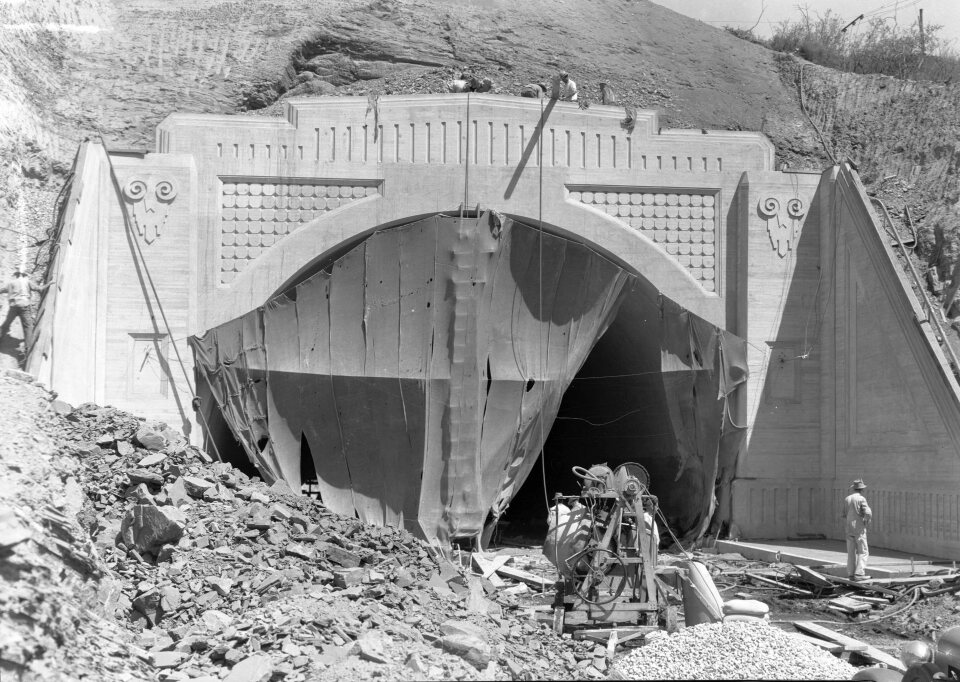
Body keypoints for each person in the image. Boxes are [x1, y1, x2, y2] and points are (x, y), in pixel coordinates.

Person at [0, 268, 50, 353]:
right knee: (28, 326)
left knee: (6, 324)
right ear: (24, 276)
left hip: (14, 306)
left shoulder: (11, 283)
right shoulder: (27, 281)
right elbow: (40, 289)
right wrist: (49, 283)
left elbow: (1, 290)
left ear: (16, 275)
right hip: (24, 306)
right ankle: (28, 349)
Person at [843, 479, 872, 580]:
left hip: (849, 528)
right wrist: (866, 521)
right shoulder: (861, 499)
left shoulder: (847, 499)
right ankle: (859, 573)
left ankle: (851, 573)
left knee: (851, 552)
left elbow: (844, 514)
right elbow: (868, 513)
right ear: (862, 489)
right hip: (858, 528)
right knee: (863, 551)